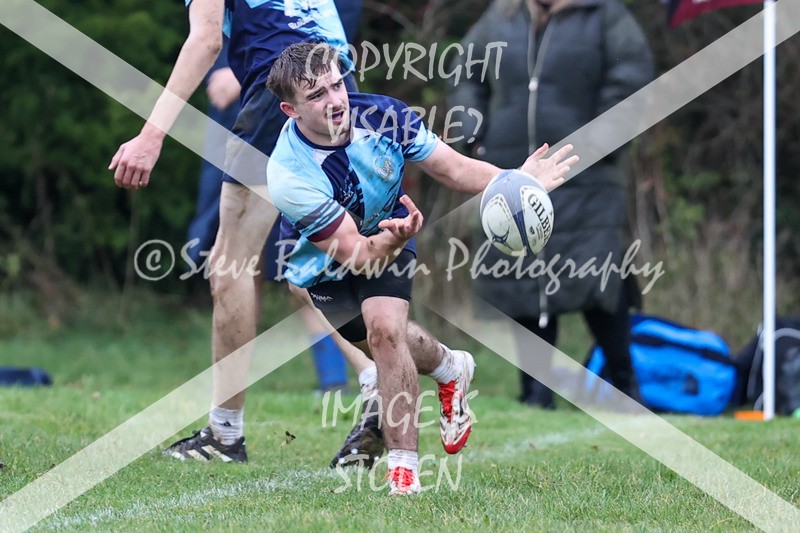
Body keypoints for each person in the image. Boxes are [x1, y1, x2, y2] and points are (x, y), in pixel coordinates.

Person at [265, 41, 577, 494]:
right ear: (290, 109)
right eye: (317, 96)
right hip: (328, 262)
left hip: (393, 226)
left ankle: (403, 476)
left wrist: (518, 182)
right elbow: (357, 254)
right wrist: (391, 239)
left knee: (385, 332)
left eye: (337, 85)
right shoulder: (289, 174)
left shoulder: (385, 116)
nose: (335, 100)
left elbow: (453, 169)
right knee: (384, 342)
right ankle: (451, 368)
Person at [109, 0, 374, 463]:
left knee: (231, 262)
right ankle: (382, 385)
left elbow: (207, 40)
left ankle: (225, 435)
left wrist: (151, 135)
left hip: (283, 98)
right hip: (338, 93)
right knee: (308, 269)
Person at [447, 0, 654, 408]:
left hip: (586, 176)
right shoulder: (501, 17)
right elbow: (464, 73)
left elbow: (632, 78)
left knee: (599, 279)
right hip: (513, 174)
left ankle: (626, 385)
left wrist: (599, 142)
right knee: (523, 281)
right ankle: (536, 392)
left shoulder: (605, 17)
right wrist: (473, 136)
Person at [184, 36, 352, 395]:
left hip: (282, 120)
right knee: (237, 264)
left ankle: (342, 379)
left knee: (304, 260)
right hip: (236, 129)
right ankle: (236, 387)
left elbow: (328, 31)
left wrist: (247, 73)